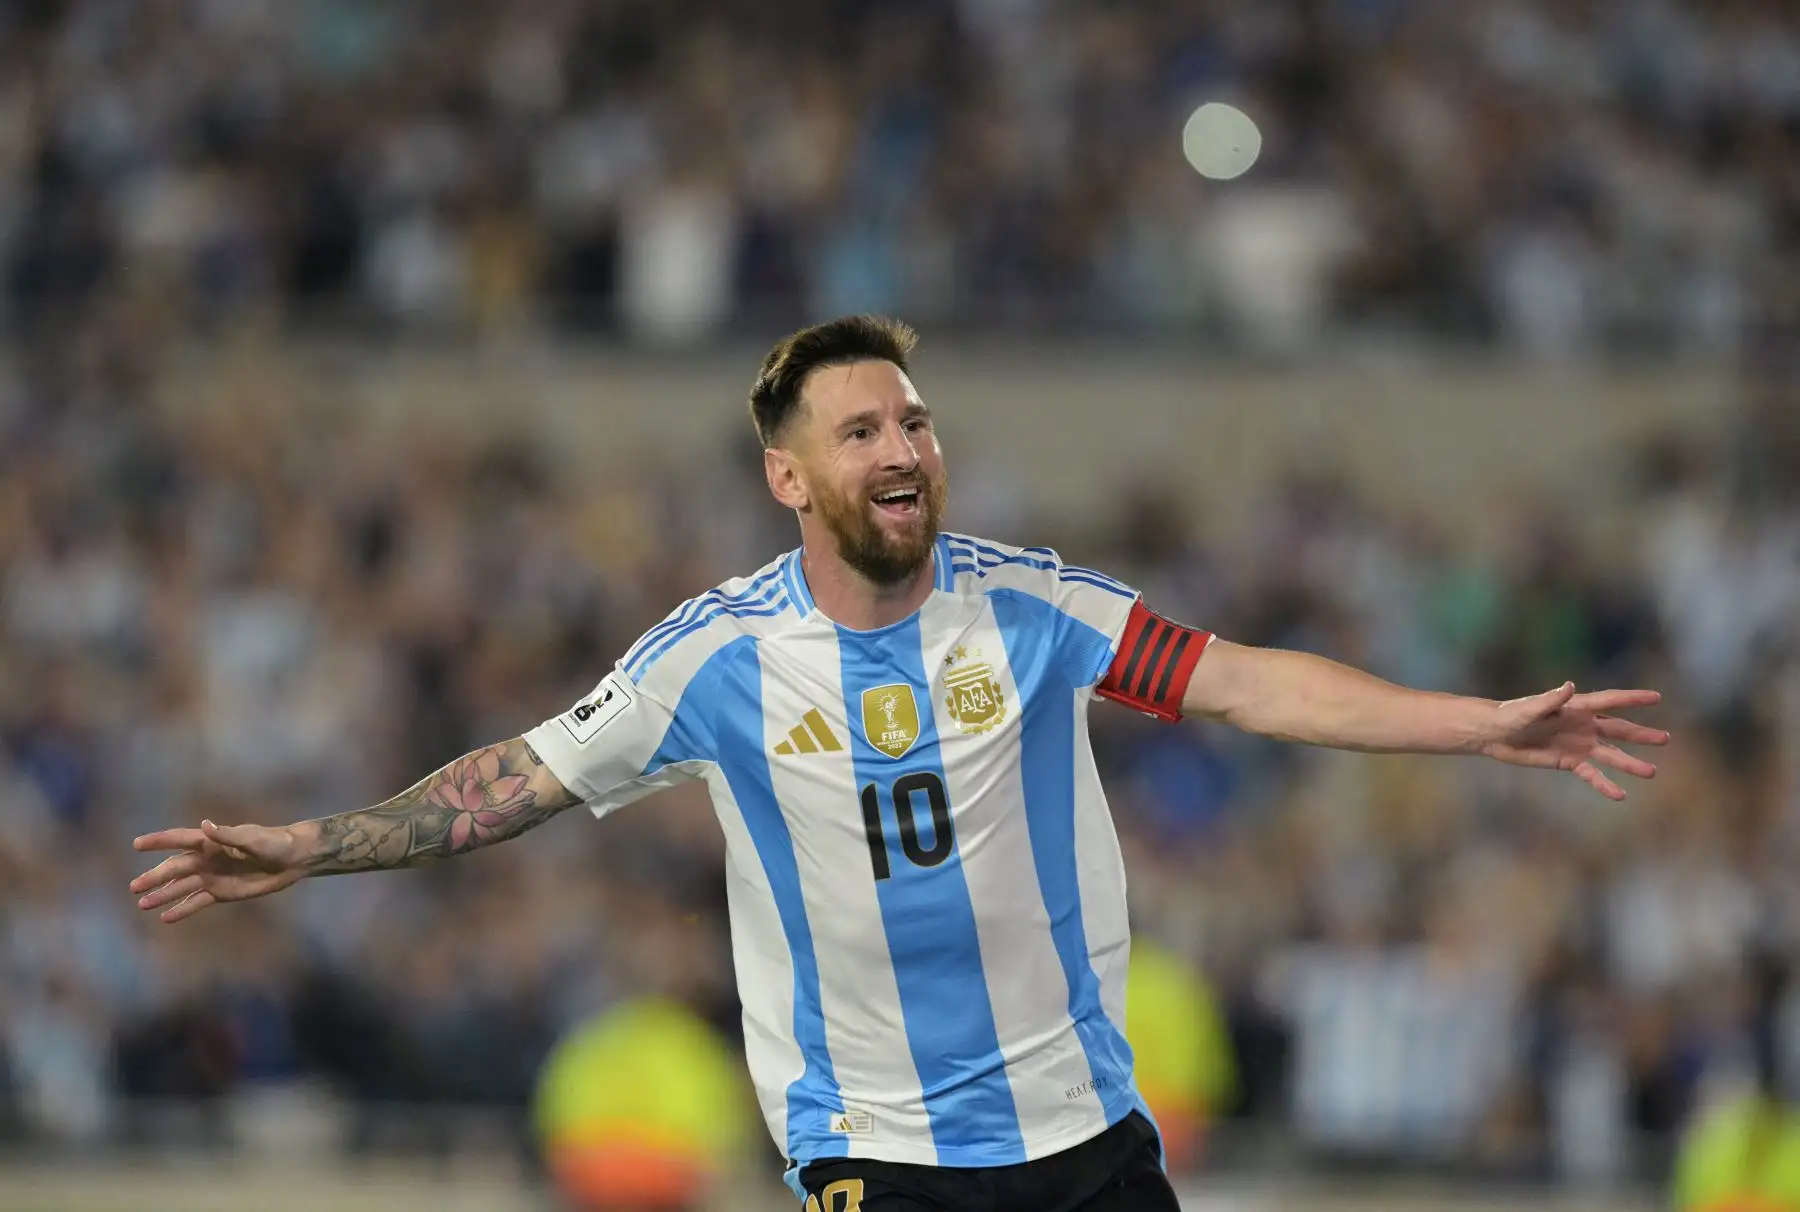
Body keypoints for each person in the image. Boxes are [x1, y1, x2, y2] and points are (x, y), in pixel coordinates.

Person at [131, 315, 1669, 1212]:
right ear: (787, 475)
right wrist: (310, 847)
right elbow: (515, 781)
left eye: (915, 421)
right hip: (872, 1148)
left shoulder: (1038, 611)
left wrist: (1482, 727)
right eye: (861, 427)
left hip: (1085, 1134)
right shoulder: (717, 659)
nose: (902, 448)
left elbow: (1247, 684)